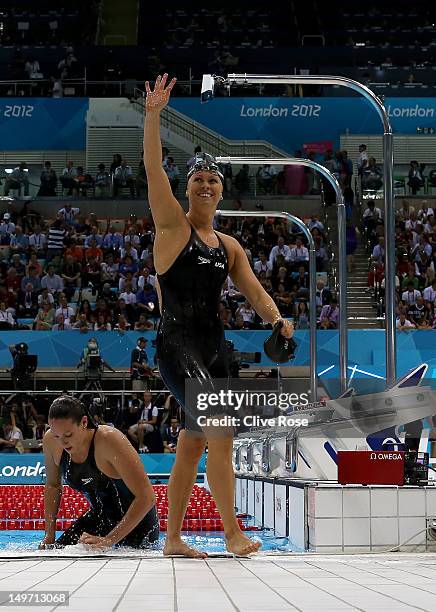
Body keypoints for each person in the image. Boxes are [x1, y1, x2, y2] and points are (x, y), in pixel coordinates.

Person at [144, 74, 293, 557]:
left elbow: (254, 292)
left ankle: (171, 540)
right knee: (220, 432)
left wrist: (277, 320)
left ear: (221, 192)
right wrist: (153, 117)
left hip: (212, 348)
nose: (206, 185)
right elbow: (153, 174)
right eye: (198, 179)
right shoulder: (170, 226)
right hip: (176, 345)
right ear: (187, 190)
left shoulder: (229, 247)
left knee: (191, 444)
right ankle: (232, 535)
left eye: (213, 180)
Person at [40, 396, 159, 549]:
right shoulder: (50, 441)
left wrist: (109, 540)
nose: (62, 442)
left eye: (68, 435)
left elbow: (147, 497)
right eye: (57, 435)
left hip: (138, 524)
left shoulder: (108, 440)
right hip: (99, 519)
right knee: (55, 551)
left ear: (84, 422)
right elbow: (53, 486)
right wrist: (49, 535)